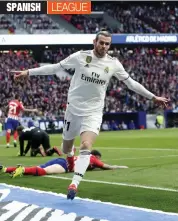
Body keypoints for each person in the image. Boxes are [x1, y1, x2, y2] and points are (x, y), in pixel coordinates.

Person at [13, 30, 169, 200]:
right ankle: (71, 159)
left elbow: (131, 83)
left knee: (86, 145)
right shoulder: (80, 57)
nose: (103, 46)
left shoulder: (113, 63)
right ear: (94, 41)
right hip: (73, 110)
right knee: (66, 148)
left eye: (107, 44)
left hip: (93, 112)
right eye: (101, 42)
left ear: (110, 45)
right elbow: (55, 68)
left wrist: (153, 97)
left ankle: (74, 183)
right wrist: (28, 72)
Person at [0, 149, 128, 178]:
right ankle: (22, 170)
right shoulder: (93, 159)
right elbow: (107, 167)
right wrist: (120, 166)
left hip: (60, 160)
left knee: (37, 168)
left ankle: (5, 169)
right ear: (96, 156)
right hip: (65, 166)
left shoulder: (84, 156)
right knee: (43, 172)